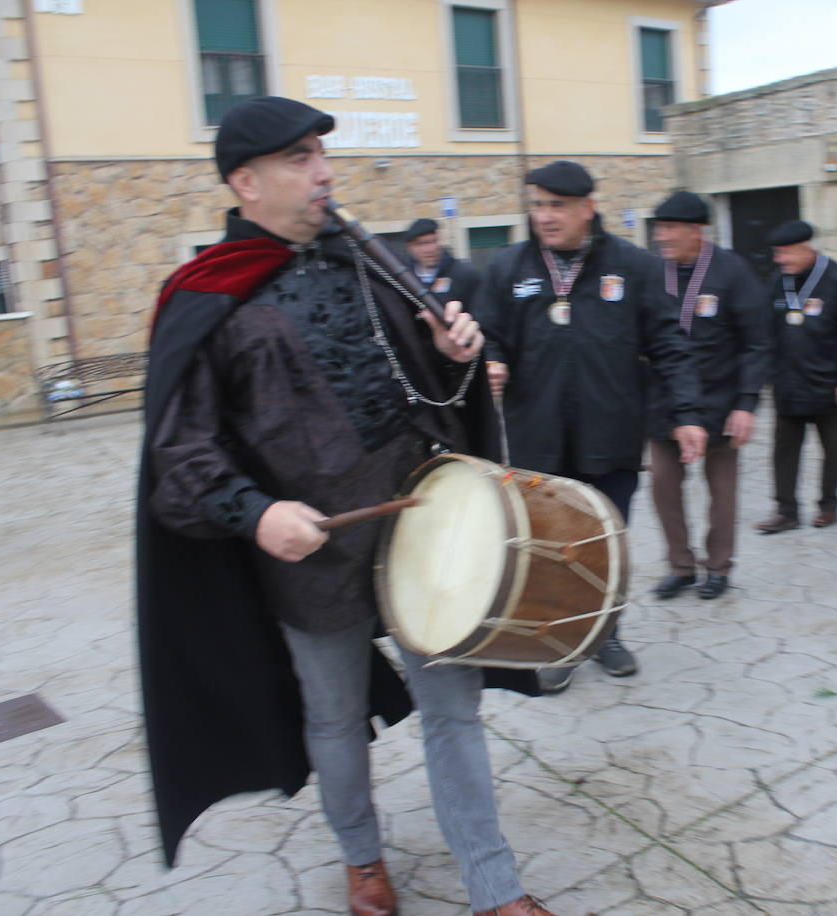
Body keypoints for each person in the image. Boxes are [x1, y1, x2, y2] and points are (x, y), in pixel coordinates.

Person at [136, 96, 558, 916]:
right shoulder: (204, 294)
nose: (323, 171)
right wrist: (255, 513)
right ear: (245, 183)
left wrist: (450, 356)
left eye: (321, 154)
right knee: (332, 721)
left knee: (454, 711)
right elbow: (181, 452)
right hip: (312, 552)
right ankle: (362, 859)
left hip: (418, 525)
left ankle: (493, 885)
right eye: (299, 159)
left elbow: (426, 395)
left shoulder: (371, 260)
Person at [476, 160, 706, 693]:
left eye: (558, 206)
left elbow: (670, 344)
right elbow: (488, 331)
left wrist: (688, 413)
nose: (546, 217)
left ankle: (606, 635)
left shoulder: (633, 266)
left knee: (605, 544)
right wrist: (491, 358)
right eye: (538, 205)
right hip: (539, 439)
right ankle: (561, 641)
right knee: (551, 550)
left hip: (611, 437)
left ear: (588, 208)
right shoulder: (508, 267)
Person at [647, 190, 769, 599]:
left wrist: (746, 404)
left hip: (721, 403)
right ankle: (681, 565)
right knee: (663, 484)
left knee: (722, 493)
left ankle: (718, 568)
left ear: (697, 230)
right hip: (666, 407)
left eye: (670, 228)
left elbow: (756, 343)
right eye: (658, 228)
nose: (661, 237)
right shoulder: (650, 273)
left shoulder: (732, 271)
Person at [754, 219, 837, 533]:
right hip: (788, 385)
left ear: (806, 248)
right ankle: (786, 510)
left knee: (830, 451)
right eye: (777, 254)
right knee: (784, 450)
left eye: (785, 253)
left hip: (829, 385)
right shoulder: (778, 281)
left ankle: (828, 505)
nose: (780, 260)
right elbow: (765, 329)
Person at [403, 217, 482, 309]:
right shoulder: (404, 279)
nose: (430, 249)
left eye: (433, 241)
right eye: (422, 244)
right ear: (409, 247)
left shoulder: (465, 274)